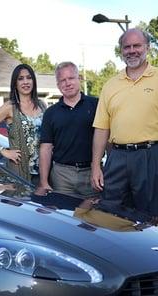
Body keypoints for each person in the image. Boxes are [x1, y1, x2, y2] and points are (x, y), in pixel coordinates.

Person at [91, 28, 158, 218]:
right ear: (121, 50)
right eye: (127, 47)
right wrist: (96, 165)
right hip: (116, 158)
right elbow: (102, 128)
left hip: (151, 157)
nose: (132, 50)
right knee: (110, 217)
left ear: (147, 48)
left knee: (151, 220)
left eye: (137, 45)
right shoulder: (110, 85)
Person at [35, 61, 98, 197]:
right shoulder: (51, 113)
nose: (67, 83)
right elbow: (45, 148)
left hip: (91, 173)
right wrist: (44, 181)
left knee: (93, 216)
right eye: (62, 80)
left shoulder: (96, 105)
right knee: (63, 215)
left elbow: (107, 139)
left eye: (71, 78)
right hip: (61, 175)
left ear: (79, 79)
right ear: (58, 85)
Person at [0, 64, 46, 185]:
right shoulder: (10, 107)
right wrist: (3, 151)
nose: (25, 82)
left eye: (28, 77)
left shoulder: (41, 105)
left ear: (33, 81)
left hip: (43, 171)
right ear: (15, 83)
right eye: (20, 78)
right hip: (20, 172)